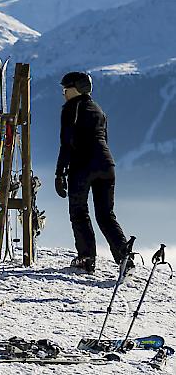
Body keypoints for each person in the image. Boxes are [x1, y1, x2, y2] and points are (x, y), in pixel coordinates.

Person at [55, 72, 133, 274]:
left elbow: (66, 143)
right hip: (107, 166)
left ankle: (86, 258)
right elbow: (104, 138)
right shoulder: (99, 109)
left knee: (79, 212)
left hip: (83, 166)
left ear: (75, 89)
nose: (63, 93)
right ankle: (125, 259)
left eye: (65, 89)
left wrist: (59, 172)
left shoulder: (71, 108)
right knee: (106, 215)